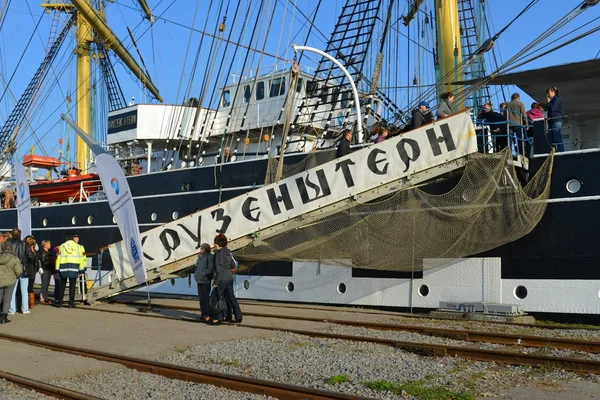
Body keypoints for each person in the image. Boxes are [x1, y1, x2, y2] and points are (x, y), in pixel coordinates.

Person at [210, 233, 242, 325]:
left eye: (215, 243)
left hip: (222, 278)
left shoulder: (218, 254)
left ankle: (218, 318)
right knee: (230, 297)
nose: (213, 245)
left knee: (216, 297)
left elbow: (218, 269)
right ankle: (237, 316)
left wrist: (216, 282)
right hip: (230, 277)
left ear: (218, 244)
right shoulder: (228, 252)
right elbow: (233, 264)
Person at [55, 232, 86, 308]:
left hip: (63, 268)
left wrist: (57, 269)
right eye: (77, 237)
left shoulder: (62, 246)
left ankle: (60, 303)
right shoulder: (80, 247)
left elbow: (58, 258)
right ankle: (71, 304)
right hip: (74, 269)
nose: (78, 239)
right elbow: (83, 259)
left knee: (62, 286)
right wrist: (81, 271)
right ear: (74, 238)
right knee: (72, 287)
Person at [8, 228, 32, 315]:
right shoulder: (25, 244)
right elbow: (30, 256)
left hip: (12, 269)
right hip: (23, 268)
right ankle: (24, 309)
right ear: (20, 234)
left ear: (12, 234)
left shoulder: (8, 244)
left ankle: (12, 309)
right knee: (24, 290)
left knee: (12, 290)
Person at [0, 241, 22, 324]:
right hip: (10, 280)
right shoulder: (14, 258)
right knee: (7, 299)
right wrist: (17, 276)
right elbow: (19, 270)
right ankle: (4, 317)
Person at [195, 243, 214, 323]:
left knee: (206, 299)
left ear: (206, 249)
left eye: (202, 249)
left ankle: (207, 315)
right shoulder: (199, 258)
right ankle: (203, 314)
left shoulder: (209, 257)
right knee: (201, 299)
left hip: (206, 281)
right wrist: (196, 275)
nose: (200, 250)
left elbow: (210, 268)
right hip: (199, 280)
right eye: (200, 249)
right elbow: (196, 268)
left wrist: (203, 273)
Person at [546, 86, 565, 152]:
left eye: (548, 93)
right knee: (550, 138)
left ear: (552, 92)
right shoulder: (551, 101)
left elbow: (553, 109)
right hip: (551, 120)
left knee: (557, 136)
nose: (547, 95)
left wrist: (549, 102)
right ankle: (552, 151)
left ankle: (561, 150)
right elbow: (548, 109)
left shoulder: (557, 99)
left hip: (556, 120)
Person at [22, 235, 38, 309]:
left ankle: (29, 303)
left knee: (26, 287)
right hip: (31, 270)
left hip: (28, 269)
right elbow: (34, 259)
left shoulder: (25, 248)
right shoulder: (32, 250)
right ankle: (31, 304)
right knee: (30, 287)